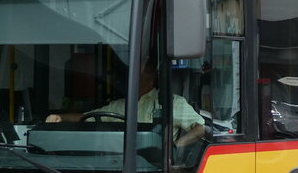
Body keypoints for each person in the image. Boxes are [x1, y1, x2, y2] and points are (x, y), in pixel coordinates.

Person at [46, 63, 206, 147]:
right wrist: (60, 116)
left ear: (151, 76)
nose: (131, 75)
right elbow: (85, 117)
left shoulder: (173, 102)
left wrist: (176, 147)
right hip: (119, 164)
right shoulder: (120, 106)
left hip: (154, 168)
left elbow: (200, 128)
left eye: (137, 70)